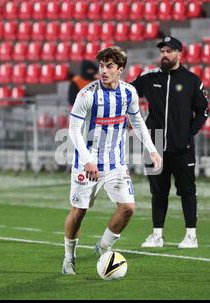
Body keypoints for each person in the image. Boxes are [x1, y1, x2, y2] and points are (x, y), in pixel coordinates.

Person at [62, 46, 162, 275]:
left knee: (128, 208)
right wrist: (87, 160)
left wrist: (152, 150)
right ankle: (69, 257)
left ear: (120, 70)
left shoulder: (129, 93)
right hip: (86, 164)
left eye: (109, 67)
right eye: (101, 66)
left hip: (115, 163)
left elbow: (137, 122)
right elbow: (74, 130)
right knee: (78, 213)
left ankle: (103, 247)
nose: (104, 71)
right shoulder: (86, 95)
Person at [131, 36, 208, 249]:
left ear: (179, 54)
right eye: (162, 51)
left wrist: (189, 133)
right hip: (153, 144)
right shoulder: (149, 77)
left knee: (187, 190)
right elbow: (127, 94)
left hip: (182, 147)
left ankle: (191, 236)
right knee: (158, 191)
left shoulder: (192, 80)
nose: (164, 55)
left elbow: (203, 111)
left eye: (169, 51)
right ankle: (157, 235)